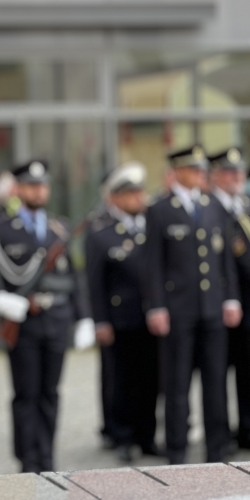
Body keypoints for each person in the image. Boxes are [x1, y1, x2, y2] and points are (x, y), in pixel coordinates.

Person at [0, 160, 93, 473]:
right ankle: (28, 460)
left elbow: (74, 278)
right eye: (31, 185)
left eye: (42, 186)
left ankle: (47, 457)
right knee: (25, 394)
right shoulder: (0, 229)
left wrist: (83, 318)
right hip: (23, 323)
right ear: (18, 190)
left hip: (56, 319)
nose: (38, 191)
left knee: (50, 394)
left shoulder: (60, 228)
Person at [143, 145, 241, 464]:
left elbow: (223, 258)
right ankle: (177, 452)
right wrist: (156, 306)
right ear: (178, 171)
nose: (201, 175)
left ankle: (217, 450)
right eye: (194, 170)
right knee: (177, 384)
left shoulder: (212, 206)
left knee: (215, 383)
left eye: (202, 170)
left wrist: (230, 298)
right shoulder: (160, 209)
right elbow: (153, 264)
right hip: (178, 309)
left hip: (212, 307)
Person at [85, 162, 159, 463]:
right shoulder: (100, 231)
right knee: (121, 380)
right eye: (130, 194)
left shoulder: (150, 225)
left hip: (150, 316)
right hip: (119, 319)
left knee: (151, 378)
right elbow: (94, 281)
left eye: (140, 192)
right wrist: (100, 319)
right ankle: (122, 436)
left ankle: (148, 435)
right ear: (114, 197)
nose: (138, 199)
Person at [209, 148, 250, 449]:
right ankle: (218, 435)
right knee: (216, 374)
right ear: (215, 176)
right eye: (229, 172)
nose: (236, 178)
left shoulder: (244, 207)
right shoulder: (209, 208)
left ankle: (246, 429)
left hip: (246, 305)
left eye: (240, 172)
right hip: (218, 303)